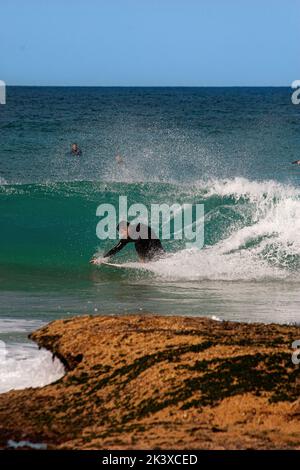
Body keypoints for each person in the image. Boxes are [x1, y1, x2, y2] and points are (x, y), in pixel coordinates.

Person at [91, 221, 165, 264]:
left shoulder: (140, 226)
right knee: (138, 244)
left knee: (138, 243)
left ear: (125, 228)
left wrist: (142, 259)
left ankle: (144, 261)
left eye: (121, 232)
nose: (122, 234)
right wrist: (102, 259)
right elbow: (116, 248)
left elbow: (143, 239)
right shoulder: (127, 237)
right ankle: (146, 261)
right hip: (146, 248)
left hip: (154, 244)